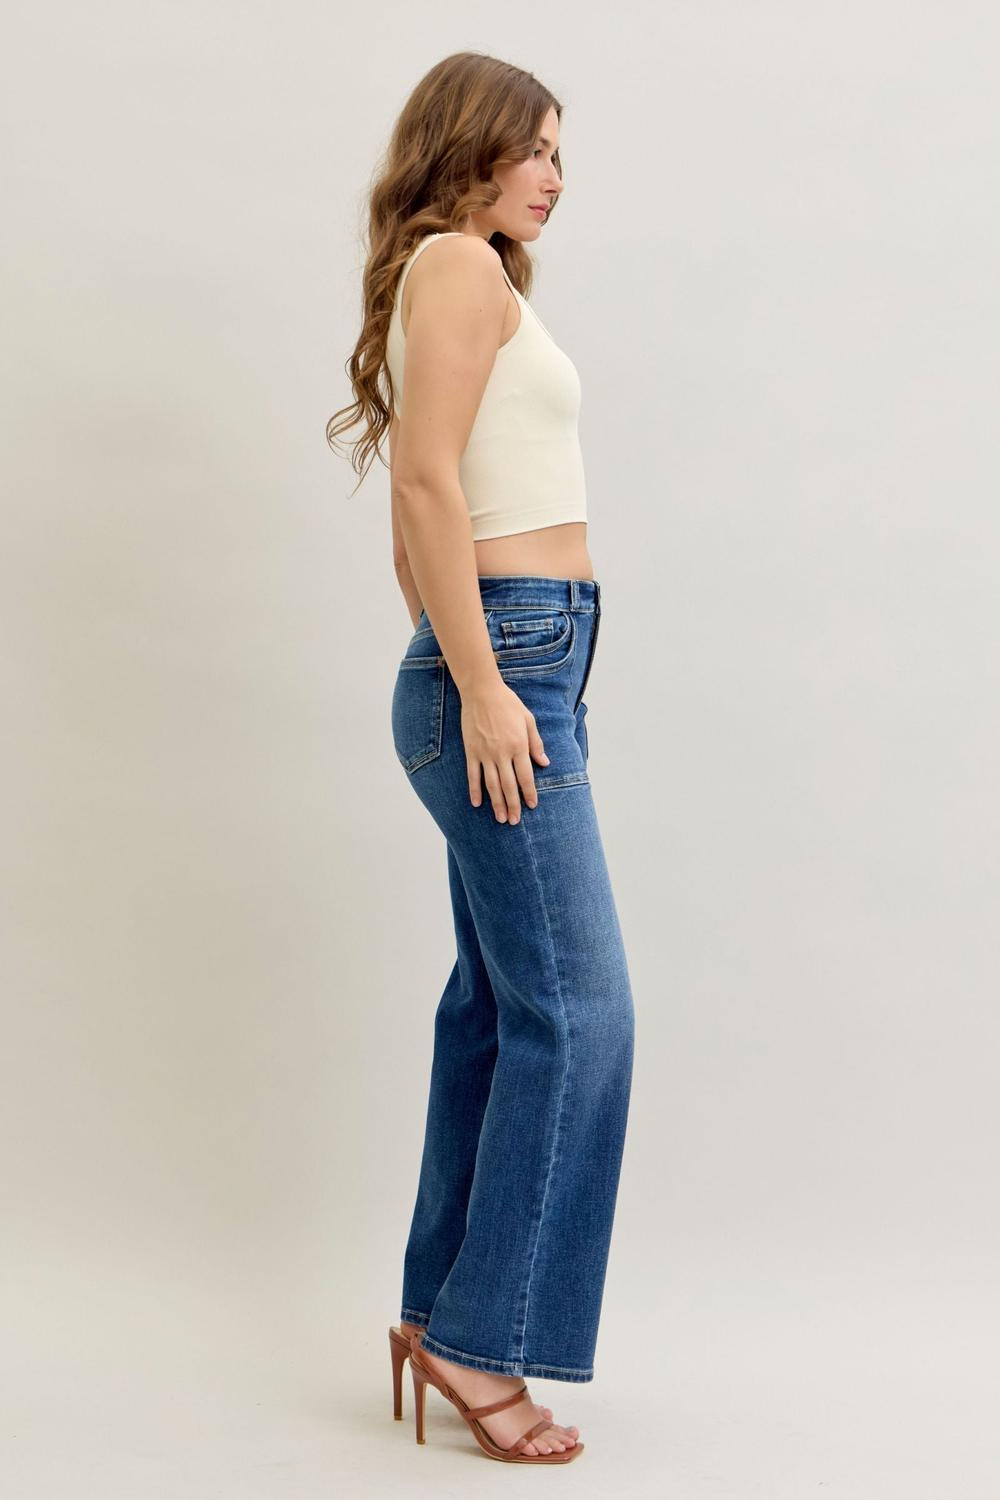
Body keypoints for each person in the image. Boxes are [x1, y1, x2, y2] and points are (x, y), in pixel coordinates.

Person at [327, 51, 635, 1465]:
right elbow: (425, 482)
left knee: (503, 1010)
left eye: (564, 156)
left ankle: (434, 1310)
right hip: (507, 662)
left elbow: (428, 500)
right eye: (539, 149)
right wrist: (481, 684)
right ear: (476, 145)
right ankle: (479, 1337)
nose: (556, 178)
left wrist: (482, 670)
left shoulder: (470, 271)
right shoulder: (458, 263)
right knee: (580, 1015)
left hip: (521, 653)